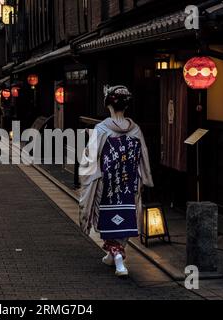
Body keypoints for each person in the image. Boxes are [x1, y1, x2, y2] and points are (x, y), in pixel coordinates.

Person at [79, 85, 153, 277]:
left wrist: (87, 177)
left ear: (108, 105)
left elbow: (89, 158)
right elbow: (143, 156)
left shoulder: (102, 129)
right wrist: (144, 178)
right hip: (130, 184)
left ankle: (118, 258)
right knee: (127, 217)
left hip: (107, 185)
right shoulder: (135, 130)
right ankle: (113, 257)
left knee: (107, 219)